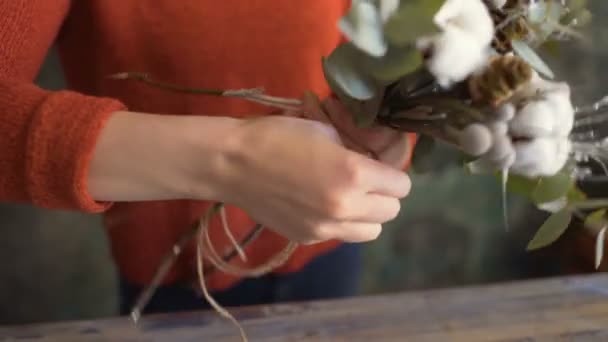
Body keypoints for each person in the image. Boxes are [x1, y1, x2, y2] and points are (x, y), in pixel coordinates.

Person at [0, 1, 416, 315]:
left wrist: (383, 124)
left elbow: (370, 36)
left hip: (331, 247)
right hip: (179, 276)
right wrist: (231, 160)